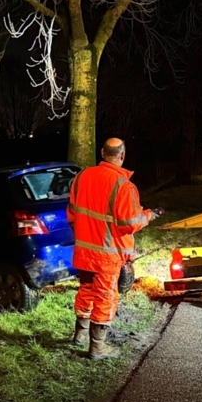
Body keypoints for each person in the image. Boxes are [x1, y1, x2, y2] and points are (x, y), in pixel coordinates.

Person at [67, 138, 162, 359]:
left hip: (84, 251)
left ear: (102, 152)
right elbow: (129, 223)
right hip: (107, 255)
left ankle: (79, 335)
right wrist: (149, 215)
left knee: (86, 291)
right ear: (122, 155)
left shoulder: (81, 177)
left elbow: (72, 214)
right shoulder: (123, 186)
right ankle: (98, 348)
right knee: (104, 296)